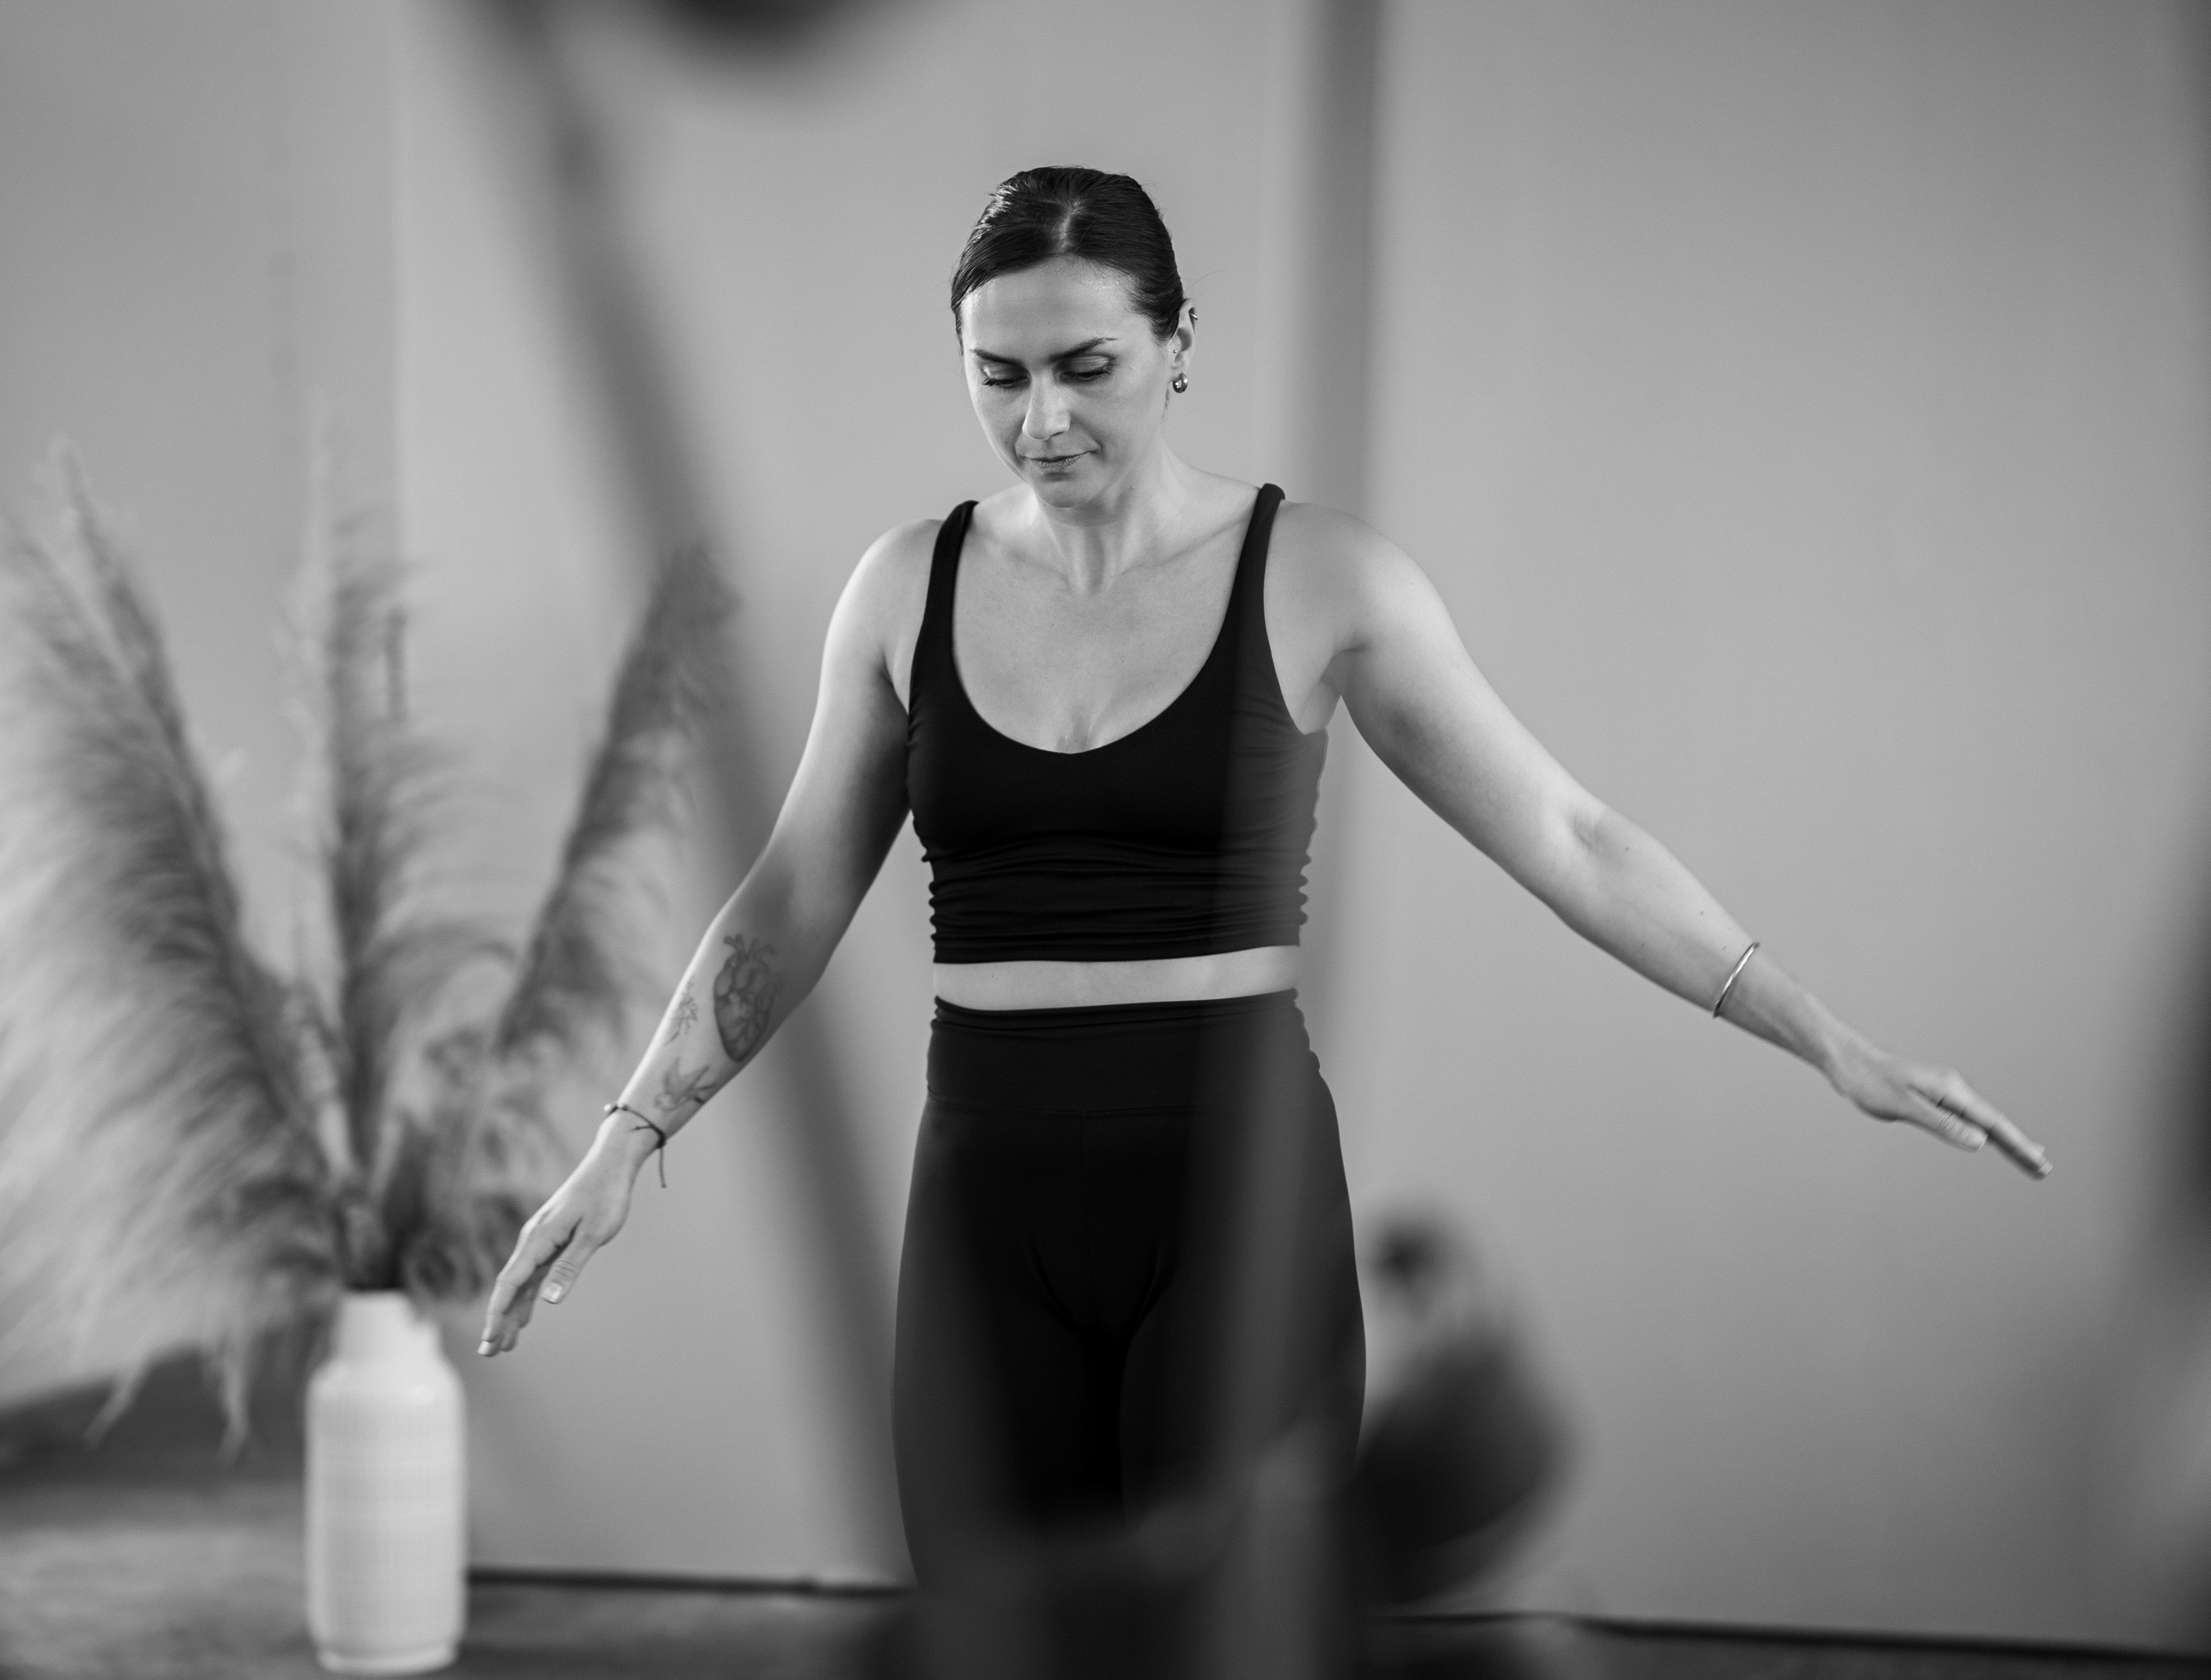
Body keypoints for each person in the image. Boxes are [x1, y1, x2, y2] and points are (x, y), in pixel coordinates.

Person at [474, 165, 2048, 1580]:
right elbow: (790, 897)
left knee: (1226, 1631)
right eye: (999, 375)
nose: (1045, 421)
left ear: (1179, 342)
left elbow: (1568, 835)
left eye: (1088, 368)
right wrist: (630, 1131)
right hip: (984, 1195)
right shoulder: (906, 589)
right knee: (989, 1629)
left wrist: (1826, 1036)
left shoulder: (1319, 577)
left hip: (1233, 1193)